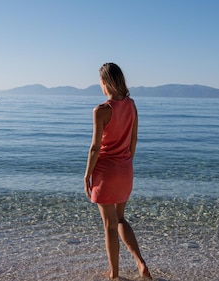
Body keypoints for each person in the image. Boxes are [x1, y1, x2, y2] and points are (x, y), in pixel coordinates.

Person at [84, 63, 152, 280]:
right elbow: (134, 141)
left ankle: (114, 274)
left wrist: (87, 174)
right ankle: (140, 263)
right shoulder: (132, 105)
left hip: (105, 171)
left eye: (100, 82)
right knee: (120, 219)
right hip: (125, 169)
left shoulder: (101, 110)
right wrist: (125, 162)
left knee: (109, 225)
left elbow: (95, 148)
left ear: (105, 82)